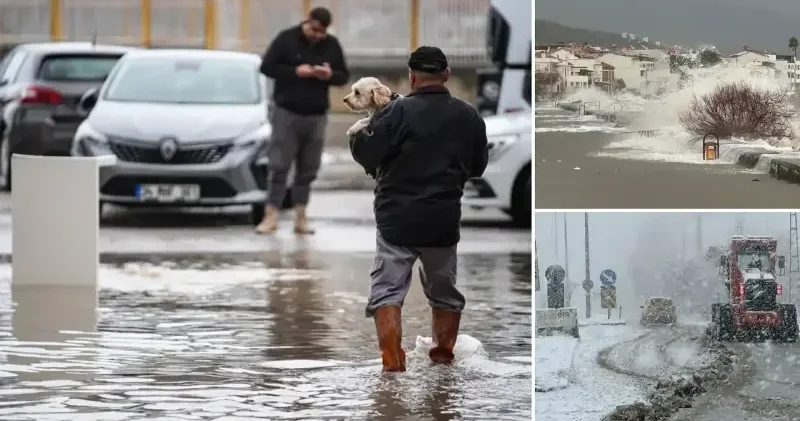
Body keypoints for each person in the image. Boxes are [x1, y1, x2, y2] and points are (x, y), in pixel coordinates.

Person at [349, 46, 489, 372]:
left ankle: (392, 364)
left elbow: (367, 154)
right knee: (444, 293)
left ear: (412, 76)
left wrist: (358, 139)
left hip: (394, 219)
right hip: (442, 219)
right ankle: (442, 357)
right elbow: (478, 166)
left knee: (387, 292)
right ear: (448, 75)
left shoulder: (395, 112)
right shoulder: (468, 115)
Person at [256, 7, 350, 235]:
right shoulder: (286, 39)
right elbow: (266, 66)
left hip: (316, 115)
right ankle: (271, 216)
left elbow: (343, 76)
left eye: (323, 32)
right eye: (315, 29)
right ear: (306, 21)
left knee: (308, 170)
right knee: (279, 166)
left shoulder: (331, 45)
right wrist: (295, 72)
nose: (318, 35)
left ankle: (301, 217)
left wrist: (328, 76)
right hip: (286, 113)